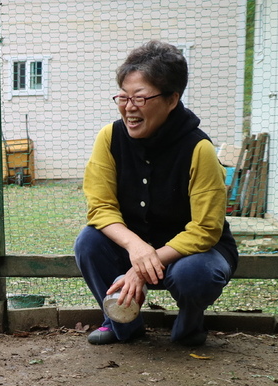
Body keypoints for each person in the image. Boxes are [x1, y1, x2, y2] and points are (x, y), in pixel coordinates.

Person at [73, 40, 239, 347]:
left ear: (172, 99)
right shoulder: (109, 138)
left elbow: (206, 229)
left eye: (140, 98)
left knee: (195, 273)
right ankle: (122, 322)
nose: (129, 107)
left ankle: (190, 324)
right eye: (123, 97)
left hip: (191, 254)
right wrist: (136, 248)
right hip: (136, 245)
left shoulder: (198, 148)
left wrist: (142, 266)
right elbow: (101, 208)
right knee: (88, 241)